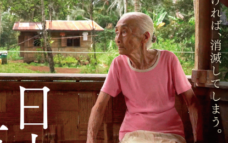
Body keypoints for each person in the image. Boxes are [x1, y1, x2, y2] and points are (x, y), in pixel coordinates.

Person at [86, 12, 203, 143]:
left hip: (169, 134)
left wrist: (198, 140)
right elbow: (99, 107)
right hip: (133, 134)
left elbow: (192, 103)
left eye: (124, 32)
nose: (117, 39)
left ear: (145, 37)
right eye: (116, 32)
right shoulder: (118, 64)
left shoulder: (168, 60)